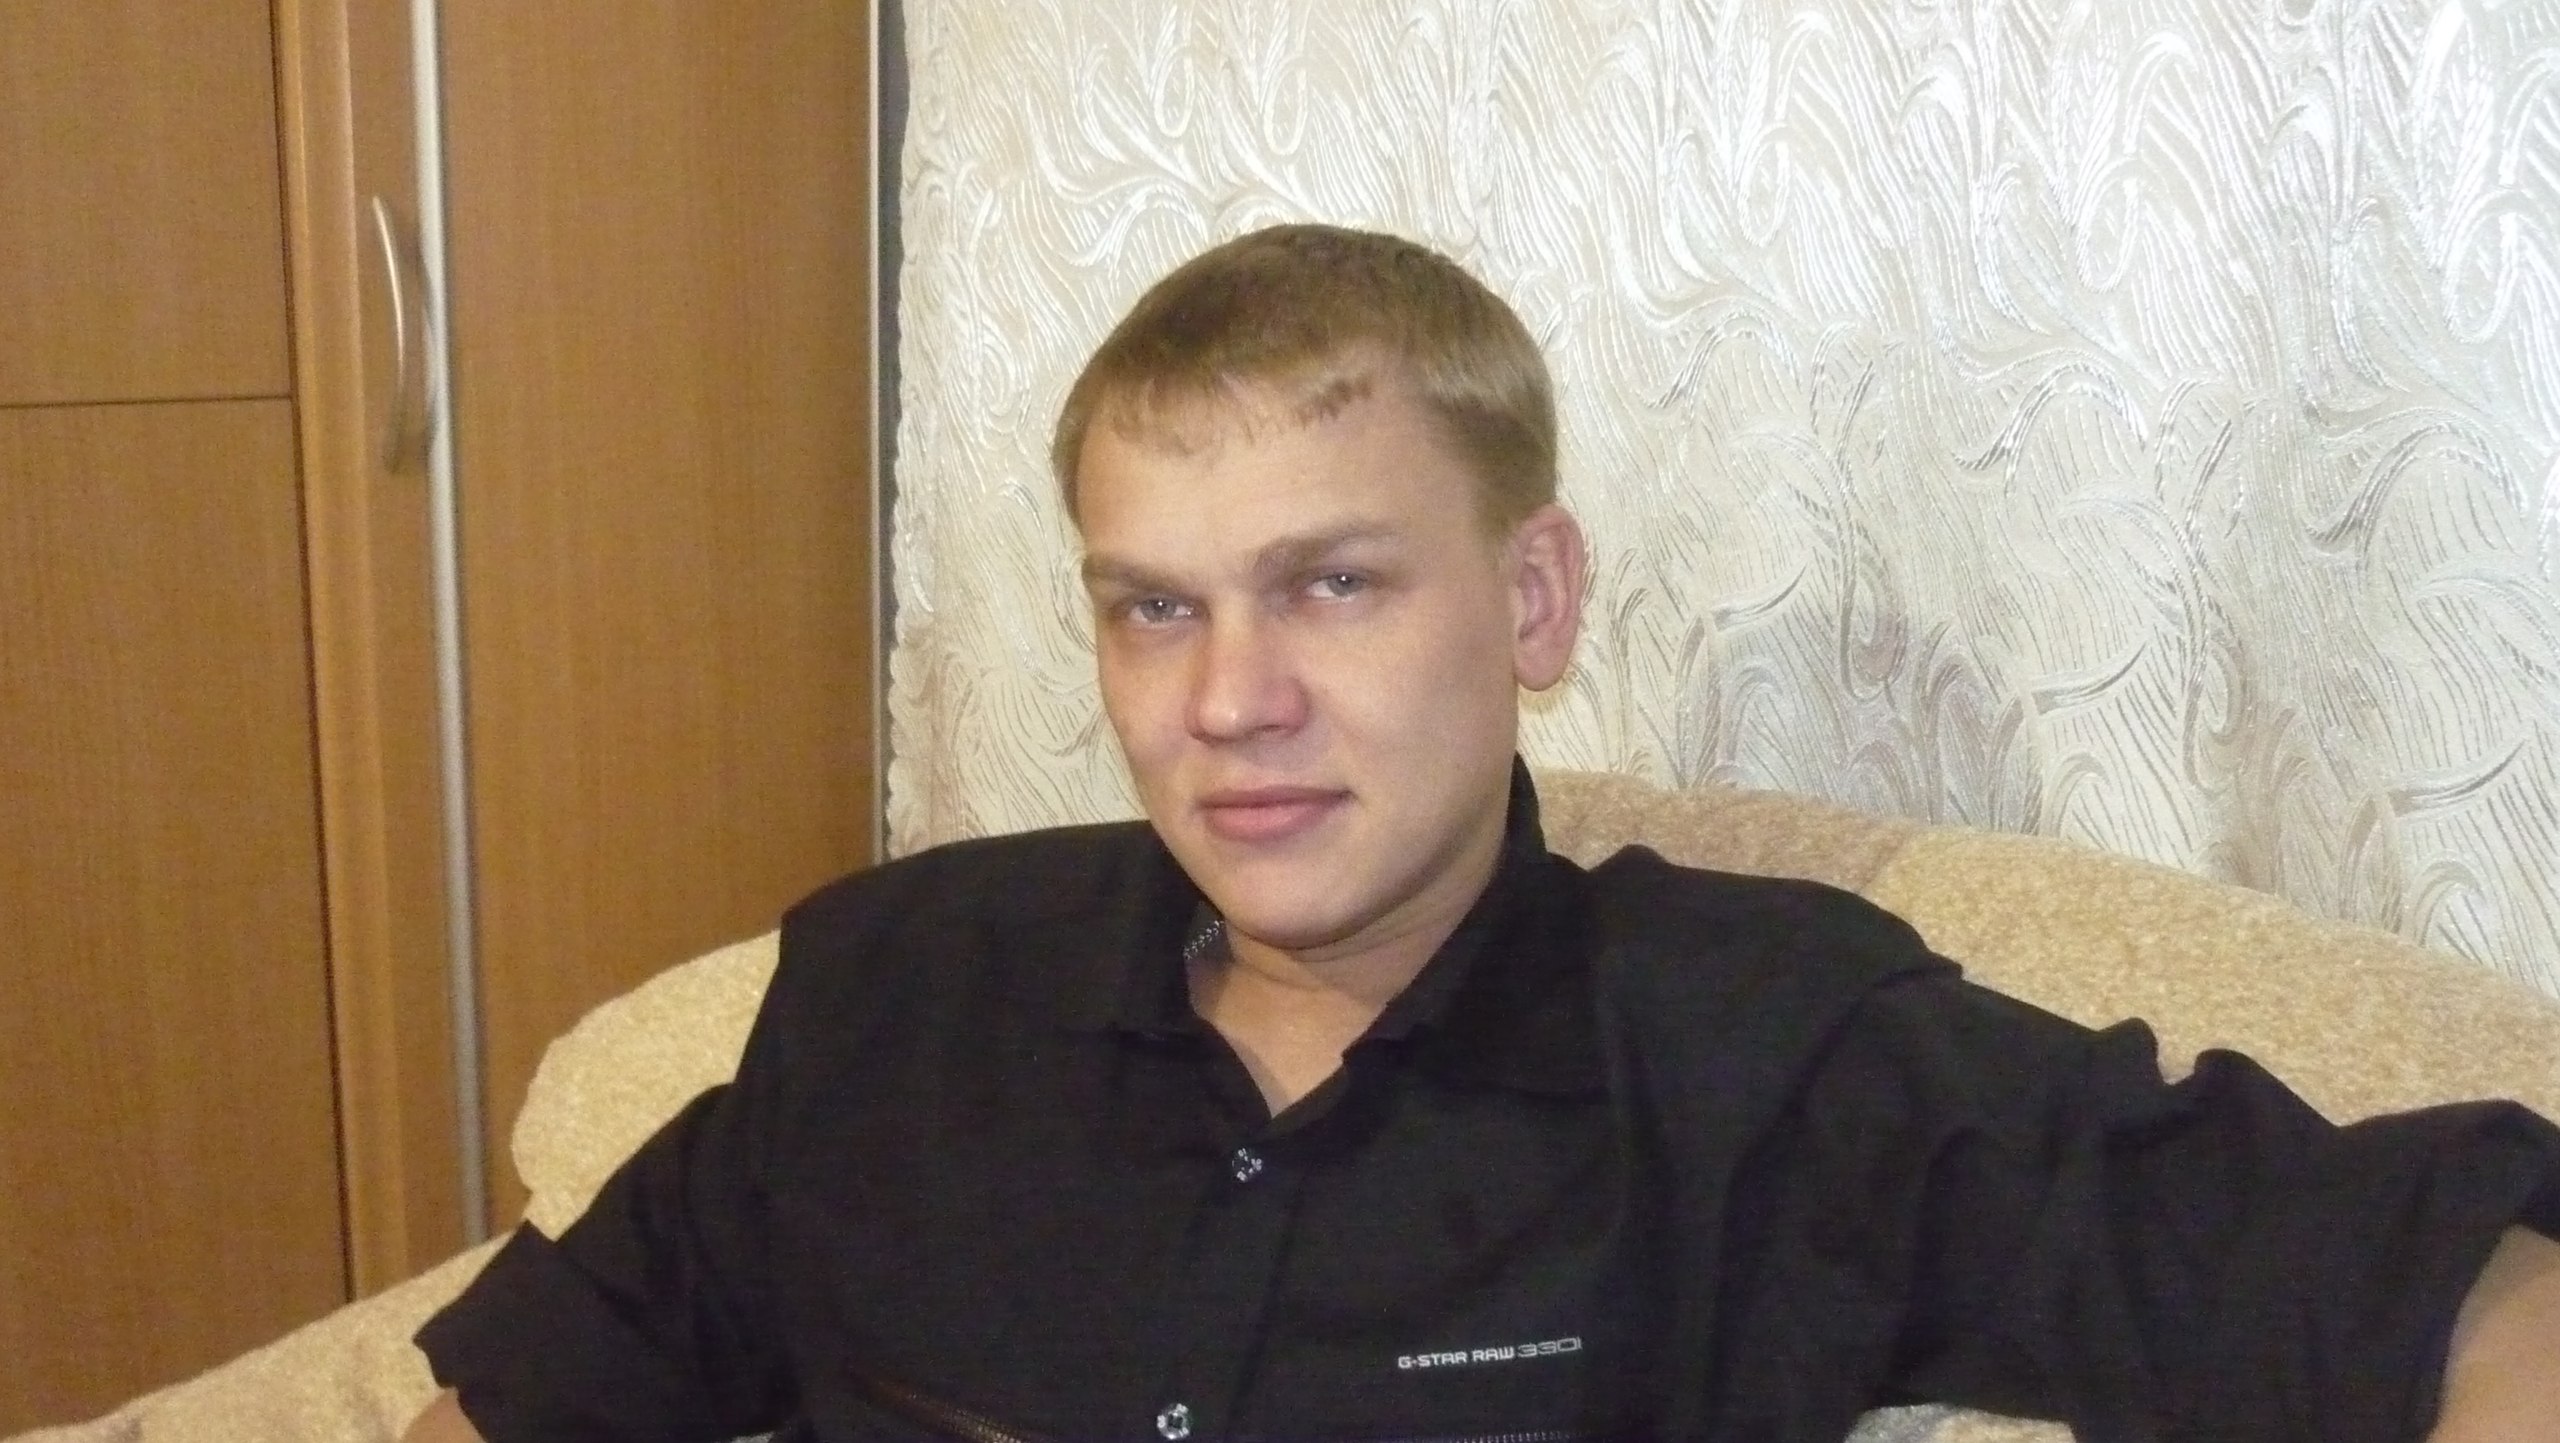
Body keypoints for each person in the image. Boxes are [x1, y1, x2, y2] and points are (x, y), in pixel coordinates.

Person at [402, 224, 2560, 1442]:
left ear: (1531, 602)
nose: (1226, 697)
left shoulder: (1767, 1054)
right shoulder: (907, 988)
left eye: (1330, 583)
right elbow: (524, 1392)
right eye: (1152, 606)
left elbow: (2467, 1304)